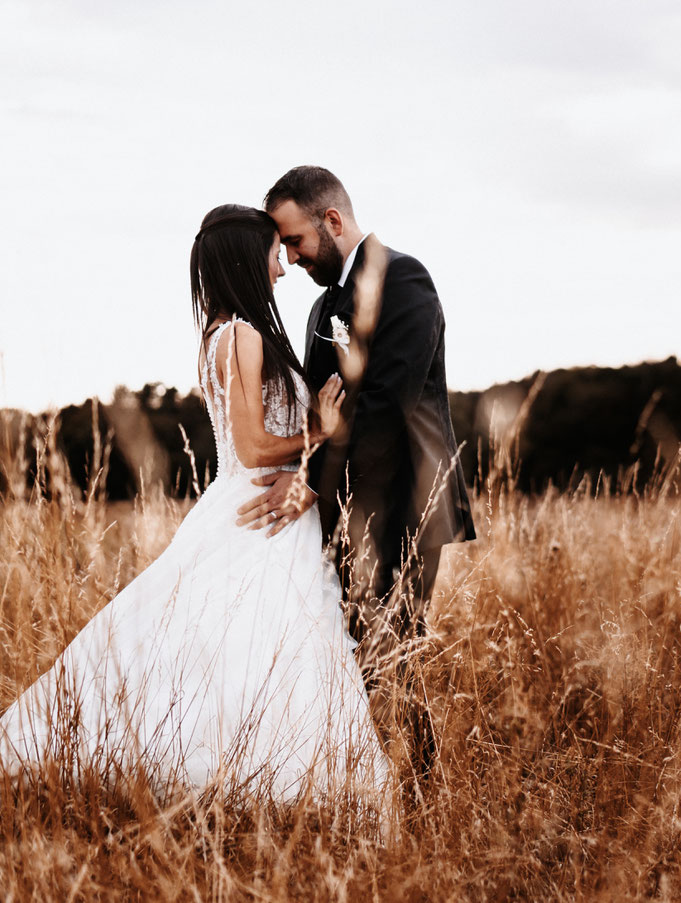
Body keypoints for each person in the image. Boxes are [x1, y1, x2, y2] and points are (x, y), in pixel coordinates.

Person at [0, 206, 394, 815]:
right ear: (245, 257)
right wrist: (321, 430)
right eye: (273, 252)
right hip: (262, 511)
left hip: (256, 505)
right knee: (254, 645)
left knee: (244, 648)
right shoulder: (240, 334)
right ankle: (259, 782)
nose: (283, 267)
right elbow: (256, 447)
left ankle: (253, 779)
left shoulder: (218, 334)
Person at [237, 167, 476, 792]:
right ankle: (365, 788)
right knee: (351, 657)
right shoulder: (322, 304)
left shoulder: (403, 279)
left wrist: (311, 484)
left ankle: (421, 795)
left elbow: (387, 405)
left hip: (404, 505)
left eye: (295, 241)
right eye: (283, 247)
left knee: (393, 654)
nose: (290, 256)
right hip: (341, 511)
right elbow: (323, 413)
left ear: (332, 221)